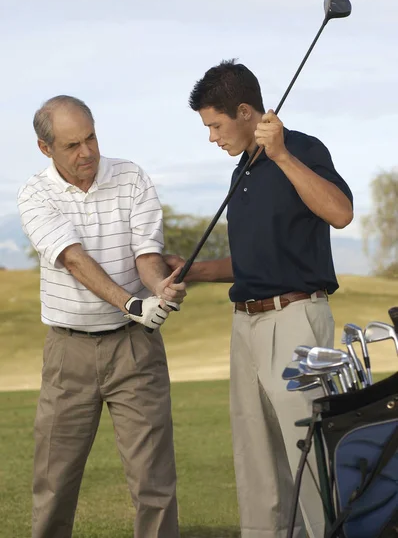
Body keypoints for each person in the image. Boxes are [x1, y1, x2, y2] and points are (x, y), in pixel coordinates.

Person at [166, 59, 353, 538]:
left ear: (245, 111)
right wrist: (193, 270)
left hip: (296, 322)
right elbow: (253, 259)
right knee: (256, 460)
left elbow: (340, 213)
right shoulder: (241, 173)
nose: (211, 137)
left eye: (214, 125)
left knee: (306, 455)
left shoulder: (303, 149)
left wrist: (284, 156)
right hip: (245, 326)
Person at [17, 95, 186, 538]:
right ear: (45, 148)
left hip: (135, 348)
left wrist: (157, 288)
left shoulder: (131, 178)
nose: (87, 151)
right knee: (54, 482)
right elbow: (73, 259)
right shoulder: (35, 193)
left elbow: (146, 255)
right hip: (68, 352)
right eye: (72, 145)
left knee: (153, 483)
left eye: (90, 137)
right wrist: (130, 302)